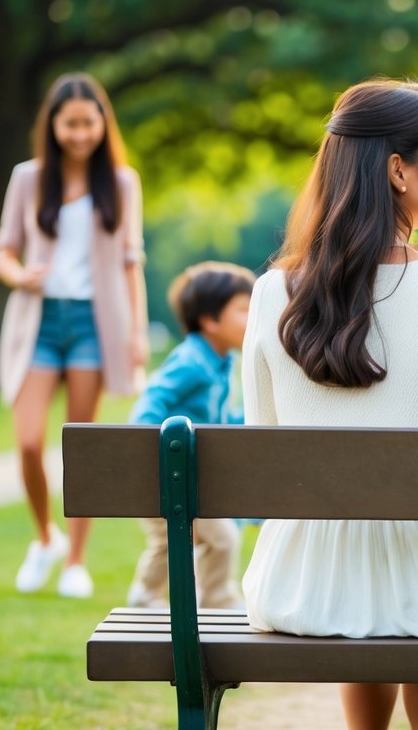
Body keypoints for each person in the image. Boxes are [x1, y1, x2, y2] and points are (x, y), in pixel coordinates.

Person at [241, 80, 418, 730]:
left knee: (370, 582)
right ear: (397, 170)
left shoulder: (272, 294)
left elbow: (258, 443)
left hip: (299, 585)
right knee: (411, 581)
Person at [0, 72, 149, 599]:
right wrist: (18, 275)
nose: (80, 134)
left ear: (103, 124)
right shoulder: (27, 178)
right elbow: (4, 251)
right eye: (70, 124)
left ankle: (76, 561)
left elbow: (132, 263)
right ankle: (45, 539)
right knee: (30, 441)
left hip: (93, 322)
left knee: (80, 447)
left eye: (89, 122)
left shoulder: (123, 183)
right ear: (53, 126)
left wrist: (136, 332)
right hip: (38, 320)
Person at [126, 261, 255, 611]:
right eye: (245, 309)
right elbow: (150, 405)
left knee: (179, 540)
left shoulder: (223, 361)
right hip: (163, 474)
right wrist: (149, 451)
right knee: (204, 538)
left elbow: (220, 419)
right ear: (210, 321)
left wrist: (254, 420)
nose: (254, 317)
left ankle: (150, 594)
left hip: (187, 479)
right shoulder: (191, 362)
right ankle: (216, 600)